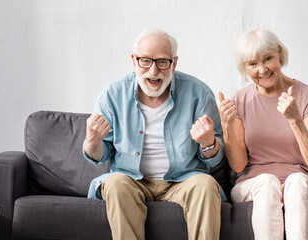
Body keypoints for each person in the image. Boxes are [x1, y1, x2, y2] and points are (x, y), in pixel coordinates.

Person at [83, 28, 224, 240]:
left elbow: (215, 157)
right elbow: (98, 156)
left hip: (183, 180)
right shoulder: (112, 94)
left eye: (162, 62)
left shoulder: (199, 93)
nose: (153, 71)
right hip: (132, 180)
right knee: (114, 183)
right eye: (145, 61)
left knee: (205, 185)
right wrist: (92, 141)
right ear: (134, 60)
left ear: (174, 63)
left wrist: (208, 143)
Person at [218, 29, 308, 240]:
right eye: (252, 64)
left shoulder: (307, 95)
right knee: (267, 182)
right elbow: (239, 166)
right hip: (254, 184)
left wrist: (295, 119)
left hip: (302, 182)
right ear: (245, 68)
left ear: (279, 55)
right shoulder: (239, 100)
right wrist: (226, 125)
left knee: (296, 181)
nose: (262, 69)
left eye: (268, 59)